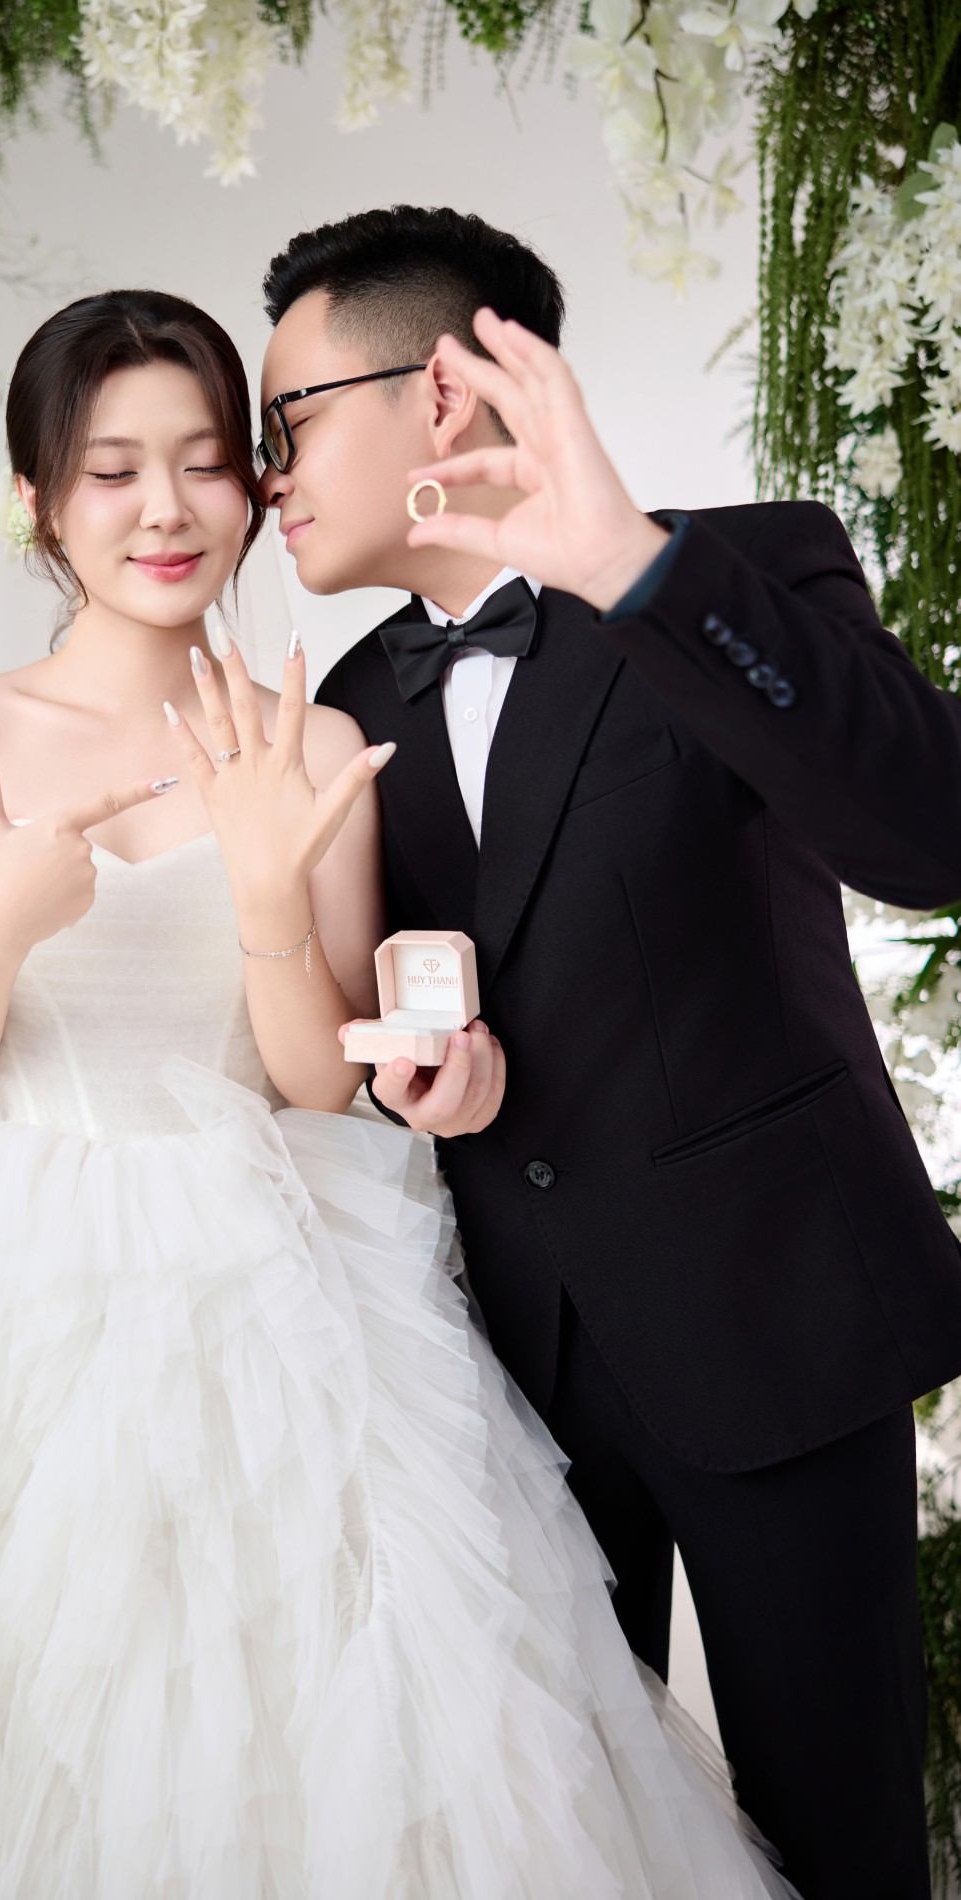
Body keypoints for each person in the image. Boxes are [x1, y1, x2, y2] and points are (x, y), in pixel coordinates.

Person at [0, 287, 798, 1897]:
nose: (166, 510)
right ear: (38, 500)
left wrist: (273, 888)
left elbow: (311, 1083)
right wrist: (5, 917)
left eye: (206, 462)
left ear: (252, 486)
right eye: (112, 471)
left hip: (266, 1275)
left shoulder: (319, 738)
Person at [257, 203, 961, 1900]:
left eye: (290, 423)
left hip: (776, 1318)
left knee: (841, 1839)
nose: (268, 476)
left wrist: (636, 572)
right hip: (506, 1375)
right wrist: (425, 1077)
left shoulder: (737, 565)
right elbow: (386, 1014)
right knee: (577, 1851)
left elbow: (927, 834)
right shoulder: (351, 705)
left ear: (440, 394)